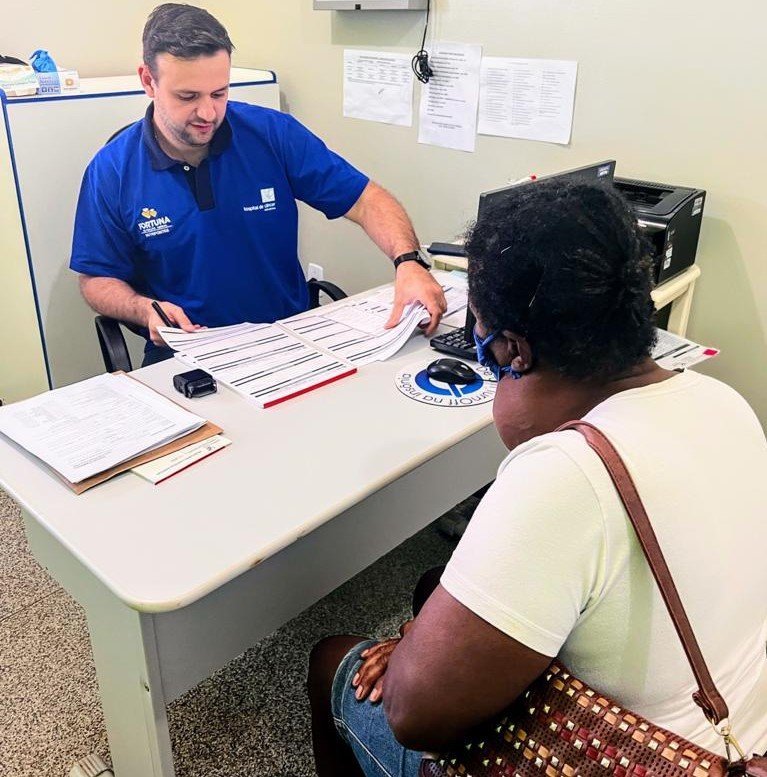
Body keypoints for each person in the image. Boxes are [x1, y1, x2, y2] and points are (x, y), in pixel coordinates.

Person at [308, 179, 767, 776]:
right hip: (737, 733)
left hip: (644, 756)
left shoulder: (566, 474)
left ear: (512, 351)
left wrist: (418, 649)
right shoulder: (723, 401)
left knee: (332, 663)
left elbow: (412, 715)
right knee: (432, 590)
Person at [70, 3, 446, 367]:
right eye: (188, 97)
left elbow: (367, 199)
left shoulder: (272, 134)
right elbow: (96, 280)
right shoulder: (112, 171)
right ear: (148, 81)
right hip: (187, 355)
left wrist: (408, 263)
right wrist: (142, 309)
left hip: (288, 337)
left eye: (219, 93)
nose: (207, 113)